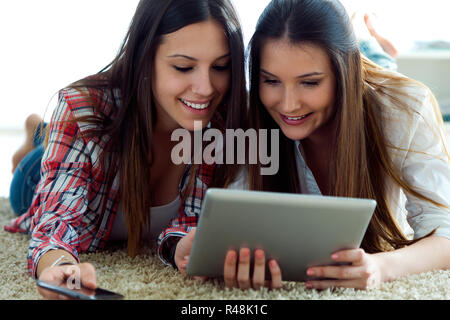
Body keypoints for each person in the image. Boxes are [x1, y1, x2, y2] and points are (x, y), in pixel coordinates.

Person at [165, 0, 450, 291]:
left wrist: (381, 266)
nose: (288, 104)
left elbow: (445, 234)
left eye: (310, 83)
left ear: (343, 73)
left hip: (369, 89)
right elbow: (232, 213)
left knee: (382, 64)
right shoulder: (254, 116)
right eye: (271, 81)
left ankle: (371, 41)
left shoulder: (406, 109)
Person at [5, 0, 247, 299]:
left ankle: (41, 133)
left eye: (221, 66)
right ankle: (37, 134)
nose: (206, 88)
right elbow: (54, 223)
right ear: (144, 58)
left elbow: (193, 222)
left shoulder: (226, 123)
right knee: (25, 181)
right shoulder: (84, 111)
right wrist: (61, 268)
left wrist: (182, 247)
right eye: (184, 66)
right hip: (46, 172)